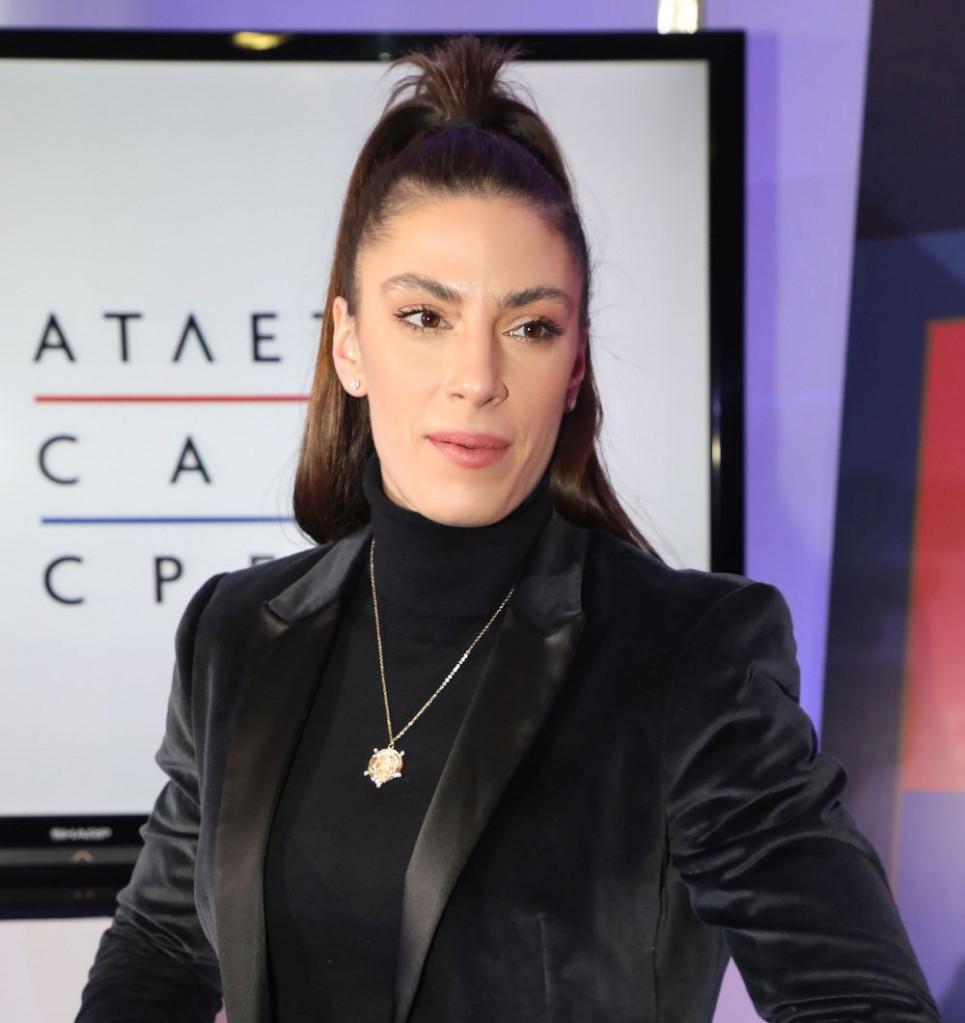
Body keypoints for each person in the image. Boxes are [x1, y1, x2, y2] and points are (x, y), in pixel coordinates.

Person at [76, 36, 939, 1023]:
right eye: (424, 317)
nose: (477, 378)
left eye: (530, 327)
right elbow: (163, 942)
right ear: (349, 343)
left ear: (573, 368)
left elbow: (859, 998)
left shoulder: (686, 654)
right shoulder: (235, 630)